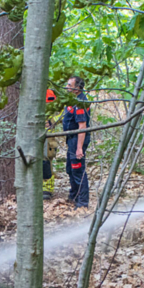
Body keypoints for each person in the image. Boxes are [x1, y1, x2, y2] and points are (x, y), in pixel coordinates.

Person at [62, 76, 90, 208]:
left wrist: (79, 148)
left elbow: (82, 126)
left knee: (78, 169)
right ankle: (74, 195)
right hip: (71, 138)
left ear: (77, 88)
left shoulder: (80, 103)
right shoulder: (72, 100)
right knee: (70, 169)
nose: (67, 87)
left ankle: (83, 202)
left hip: (77, 139)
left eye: (69, 85)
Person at [43, 89, 60, 200]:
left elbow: (64, 113)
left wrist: (52, 121)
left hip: (49, 139)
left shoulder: (57, 104)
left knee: (46, 163)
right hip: (36, 137)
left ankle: (47, 189)